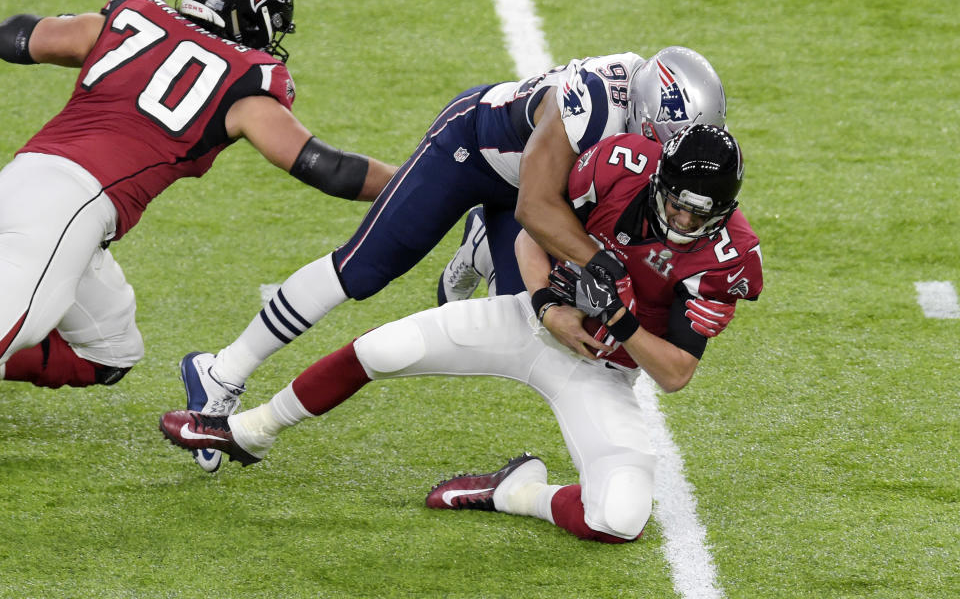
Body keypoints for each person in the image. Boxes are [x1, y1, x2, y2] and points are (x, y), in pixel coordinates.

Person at [160, 124, 764, 543]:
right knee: (383, 348)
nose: (684, 221)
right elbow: (532, 234)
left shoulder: (728, 255)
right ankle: (249, 430)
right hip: (531, 324)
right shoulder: (617, 167)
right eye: (677, 205)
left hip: (603, 370)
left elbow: (676, 373)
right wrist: (548, 304)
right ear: (657, 177)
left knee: (621, 518)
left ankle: (514, 493)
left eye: (700, 213)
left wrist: (621, 320)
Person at [177, 45, 728, 472]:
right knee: (363, 269)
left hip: (539, 193)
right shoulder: (593, 101)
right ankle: (222, 369)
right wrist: (608, 268)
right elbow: (537, 205)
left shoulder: (667, 129)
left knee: (529, 314)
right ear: (647, 116)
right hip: (474, 150)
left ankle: (483, 246)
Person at [0, 0, 395, 393]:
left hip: (26, 182)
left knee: (109, 352)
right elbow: (331, 169)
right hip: (72, 209)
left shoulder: (126, 20)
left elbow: (17, 36)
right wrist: (423, 184)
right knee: (12, 331)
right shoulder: (247, 84)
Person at [436, 46, 728, 304]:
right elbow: (537, 209)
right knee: (525, 317)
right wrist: (603, 270)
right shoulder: (594, 124)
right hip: (548, 203)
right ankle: (485, 248)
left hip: (569, 211)